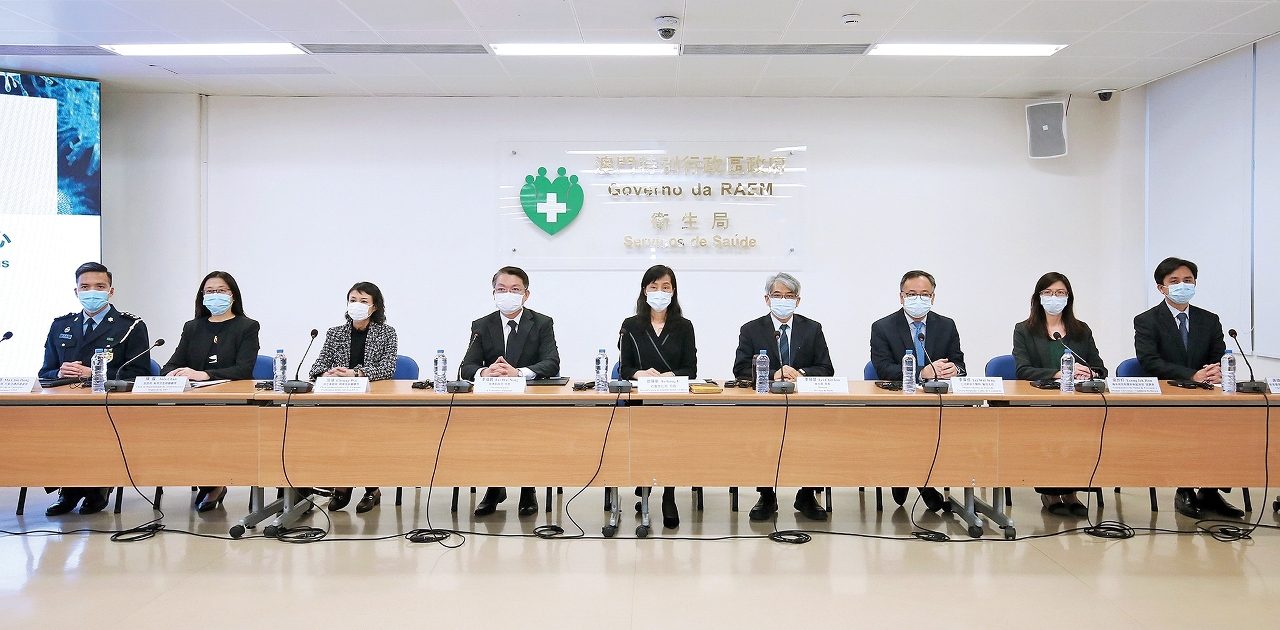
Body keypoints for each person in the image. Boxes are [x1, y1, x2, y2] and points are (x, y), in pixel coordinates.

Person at [40, 262, 152, 517]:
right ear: (76, 291)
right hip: (66, 407)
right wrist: (59, 373)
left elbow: (140, 374)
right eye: (85, 287)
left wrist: (95, 374)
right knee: (50, 428)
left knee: (95, 428)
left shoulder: (130, 325)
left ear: (111, 291)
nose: (92, 292)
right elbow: (45, 372)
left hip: (108, 405)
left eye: (100, 286)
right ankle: (68, 489)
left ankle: (98, 487)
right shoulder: (61, 325)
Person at [1134, 257, 1242, 519]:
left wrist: (1216, 370)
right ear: (1161, 288)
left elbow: (1218, 355)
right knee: (1185, 427)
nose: (1182, 285)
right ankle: (1184, 490)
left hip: (1206, 394)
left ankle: (1210, 490)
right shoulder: (1147, 320)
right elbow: (1150, 361)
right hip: (1167, 396)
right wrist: (1191, 374)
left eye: (1188, 280)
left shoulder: (1209, 320)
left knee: (1228, 425)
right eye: (1174, 281)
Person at [732, 272, 834, 522]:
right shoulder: (751, 329)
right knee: (762, 436)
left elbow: (826, 368)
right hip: (766, 404)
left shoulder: (812, 329)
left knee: (813, 435)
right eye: (777, 295)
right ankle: (766, 495)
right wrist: (772, 373)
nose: (783, 300)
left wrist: (801, 374)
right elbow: (740, 369)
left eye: (789, 296)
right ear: (767, 299)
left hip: (803, 404)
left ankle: (807, 495)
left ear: (797, 300)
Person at [461, 266, 561, 517]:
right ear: (494, 293)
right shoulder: (481, 325)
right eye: (502, 289)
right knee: (491, 431)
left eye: (515, 289)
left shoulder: (542, 323)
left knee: (527, 431)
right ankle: (494, 487)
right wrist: (485, 372)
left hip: (529, 401)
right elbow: (466, 367)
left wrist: (519, 372)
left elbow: (552, 363)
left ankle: (528, 488)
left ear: (526, 294)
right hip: (493, 401)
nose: (508, 294)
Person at [160, 271, 261, 513]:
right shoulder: (192, 327)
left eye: (221, 291)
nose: (215, 295)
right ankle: (208, 479)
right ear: (202, 297)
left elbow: (244, 368)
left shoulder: (247, 326)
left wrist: (204, 375)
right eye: (210, 291)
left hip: (232, 401)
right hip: (194, 401)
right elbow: (171, 364)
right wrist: (173, 373)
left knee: (215, 429)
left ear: (233, 295)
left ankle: (215, 483)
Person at [1012, 272, 1108, 517]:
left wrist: (1091, 372)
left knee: (1080, 433)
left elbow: (1100, 368)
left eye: (1060, 293)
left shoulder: (1081, 330)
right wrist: (1059, 372)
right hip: (1041, 403)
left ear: (1068, 298)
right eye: (1048, 292)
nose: (1054, 298)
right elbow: (1023, 370)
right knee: (1050, 432)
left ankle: (1072, 492)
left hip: (1077, 404)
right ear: (1038, 297)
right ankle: (1051, 493)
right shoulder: (1024, 330)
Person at [870, 270, 965, 513]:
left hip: (936, 401)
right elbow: (883, 368)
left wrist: (954, 369)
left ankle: (915, 479)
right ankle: (921, 484)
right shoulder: (882, 327)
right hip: (898, 402)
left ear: (933, 297)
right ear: (901, 296)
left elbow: (959, 362)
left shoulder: (946, 325)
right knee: (909, 430)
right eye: (912, 294)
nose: (918, 299)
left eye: (924, 294)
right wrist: (922, 372)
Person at [308, 282, 399, 513]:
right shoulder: (335, 333)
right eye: (353, 300)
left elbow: (387, 368)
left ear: (374, 307)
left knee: (364, 433)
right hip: (339, 400)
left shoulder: (387, 333)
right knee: (336, 432)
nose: (357, 305)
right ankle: (343, 481)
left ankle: (372, 488)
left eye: (363, 301)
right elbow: (316, 367)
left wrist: (356, 373)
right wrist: (326, 373)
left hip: (371, 402)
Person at [618, 264, 697, 529]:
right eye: (654, 287)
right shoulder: (630, 326)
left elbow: (691, 369)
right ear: (645, 290)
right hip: (642, 399)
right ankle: (644, 487)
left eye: (665, 287)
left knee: (671, 443)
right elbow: (625, 368)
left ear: (673, 291)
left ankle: (669, 496)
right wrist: (639, 373)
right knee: (645, 441)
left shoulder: (684, 326)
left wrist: (671, 376)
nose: (660, 292)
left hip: (674, 399)